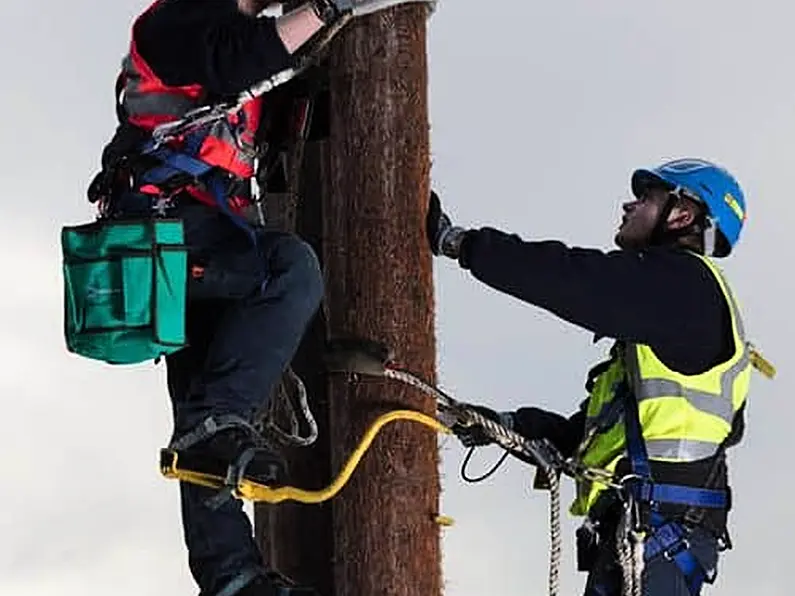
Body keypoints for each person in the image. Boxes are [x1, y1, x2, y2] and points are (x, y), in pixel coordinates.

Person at [84, 0, 382, 594]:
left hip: (197, 239)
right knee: (287, 273)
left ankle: (232, 576)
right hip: (162, 230)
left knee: (202, 400)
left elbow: (258, 65)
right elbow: (237, 60)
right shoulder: (172, 22)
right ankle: (218, 427)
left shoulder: (237, 36)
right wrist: (327, 10)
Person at [426, 158, 762, 595]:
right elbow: (589, 439)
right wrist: (507, 426)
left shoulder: (686, 287)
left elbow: (572, 278)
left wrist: (461, 244)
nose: (629, 205)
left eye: (646, 198)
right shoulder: (667, 318)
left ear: (682, 214)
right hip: (647, 538)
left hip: (657, 539)